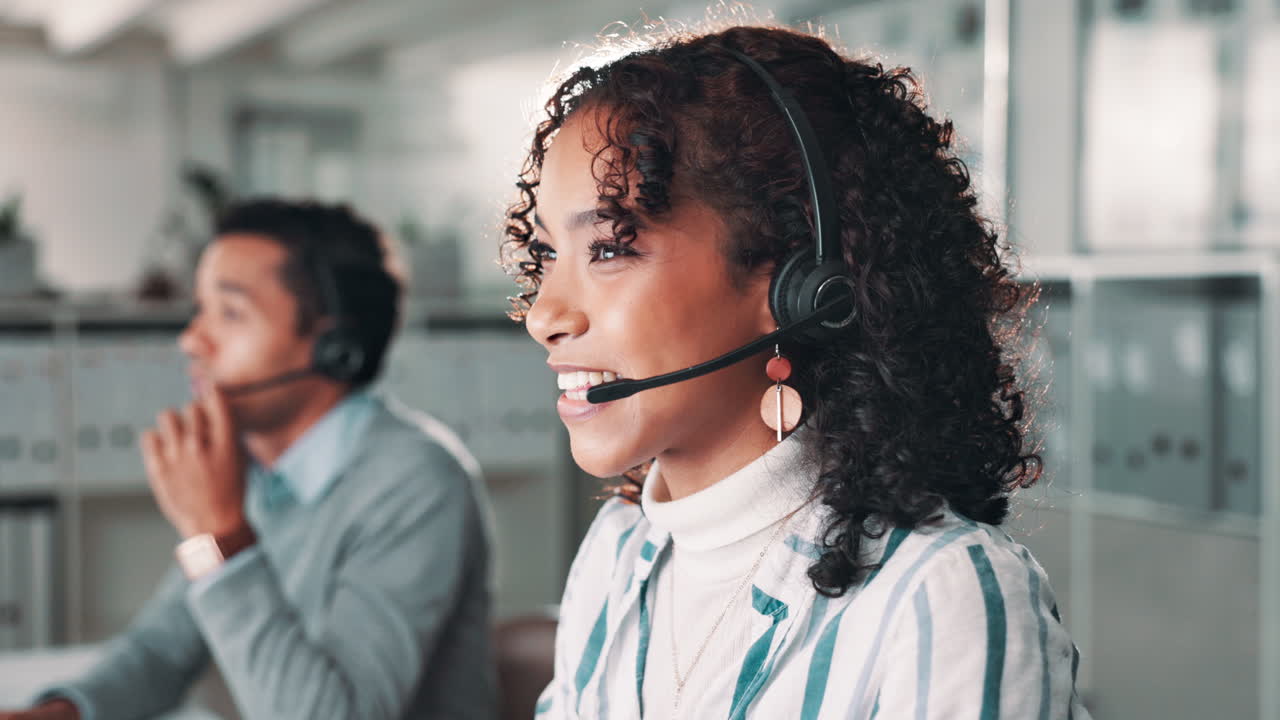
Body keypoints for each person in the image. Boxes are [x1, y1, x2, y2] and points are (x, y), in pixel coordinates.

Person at [502, 23, 1091, 719]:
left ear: (797, 285)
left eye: (608, 248)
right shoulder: (620, 551)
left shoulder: (942, 596)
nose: (545, 315)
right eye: (545, 258)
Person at [2, 199, 495, 720]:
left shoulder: (417, 481)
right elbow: (165, 646)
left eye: (231, 313)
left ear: (335, 348)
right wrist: (58, 713)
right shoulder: (257, 472)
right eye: (200, 309)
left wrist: (219, 534)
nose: (191, 339)